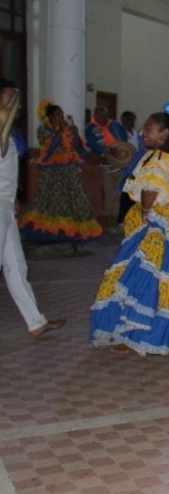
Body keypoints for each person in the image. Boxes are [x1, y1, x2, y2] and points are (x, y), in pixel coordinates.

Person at [89, 108, 169, 355]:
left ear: (164, 134)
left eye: (149, 129)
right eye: (144, 128)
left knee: (140, 277)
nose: (144, 133)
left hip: (159, 224)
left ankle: (134, 334)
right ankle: (167, 334)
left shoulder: (157, 159)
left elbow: (150, 190)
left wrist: (145, 212)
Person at [0, 79, 66, 337]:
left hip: (5, 203)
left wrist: (13, 195)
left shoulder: (9, 130)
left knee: (17, 265)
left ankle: (35, 321)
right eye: (9, 94)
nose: (15, 99)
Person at [18, 100, 103, 244]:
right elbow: (49, 150)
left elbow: (77, 148)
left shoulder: (67, 129)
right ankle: (53, 233)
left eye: (62, 113)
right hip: (52, 173)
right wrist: (60, 131)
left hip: (69, 172)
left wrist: (75, 134)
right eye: (58, 114)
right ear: (50, 116)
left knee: (75, 200)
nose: (62, 116)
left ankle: (74, 232)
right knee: (53, 202)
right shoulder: (43, 130)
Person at [85, 106, 130, 229]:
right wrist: (107, 150)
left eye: (105, 115)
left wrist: (121, 149)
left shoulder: (115, 125)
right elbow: (92, 144)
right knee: (109, 195)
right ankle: (108, 222)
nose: (103, 118)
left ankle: (115, 220)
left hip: (120, 165)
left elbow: (124, 139)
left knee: (118, 195)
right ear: (95, 116)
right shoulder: (90, 128)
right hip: (106, 167)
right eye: (100, 115)